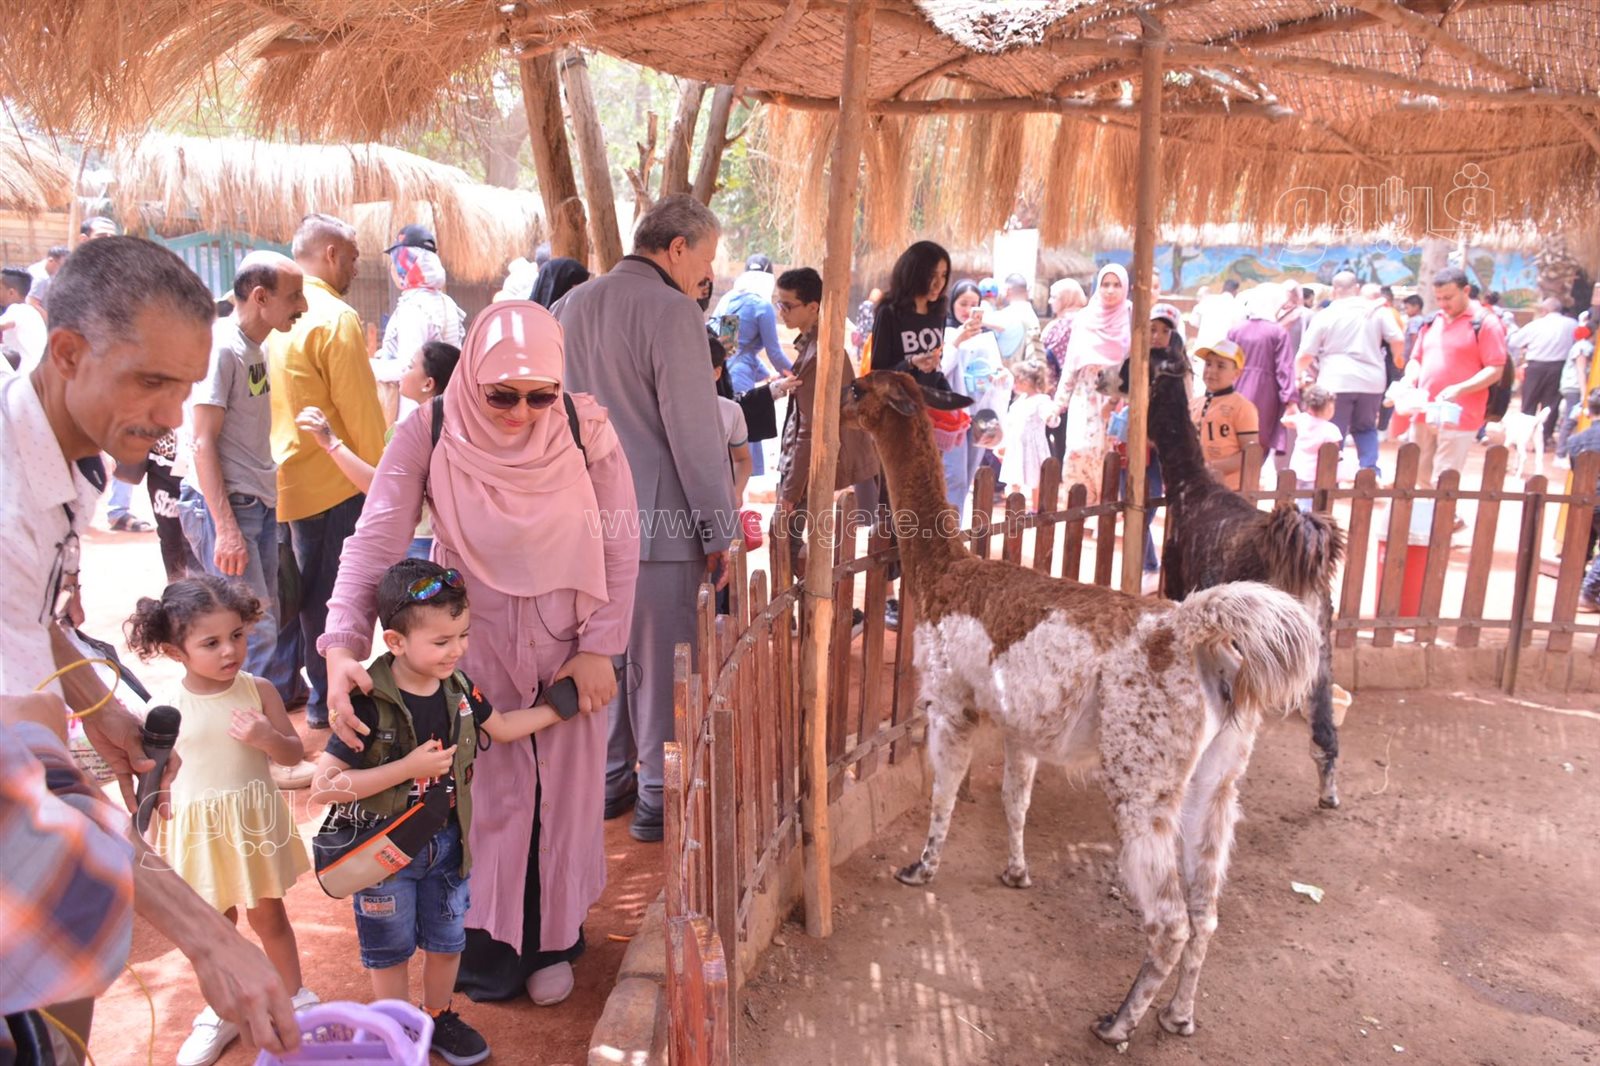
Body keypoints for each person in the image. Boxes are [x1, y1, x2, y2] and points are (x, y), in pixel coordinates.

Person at [0, 236, 299, 1057]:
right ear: (67, 353)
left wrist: (98, 708)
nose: (173, 416)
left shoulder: (79, 456)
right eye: (152, 381)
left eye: (184, 385)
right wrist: (207, 938)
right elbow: (29, 784)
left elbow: (31, 619)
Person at [321, 301, 639, 1007]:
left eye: (539, 394)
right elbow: (374, 541)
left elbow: (621, 542)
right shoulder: (428, 430)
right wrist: (342, 640)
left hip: (569, 646)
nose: (521, 411)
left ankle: (554, 938)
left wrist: (601, 649)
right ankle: (485, 946)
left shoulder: (586, 430)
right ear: (472, 377)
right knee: (479, 792)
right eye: (502, 393)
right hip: (465, 645)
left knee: (565, 794)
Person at [313, 559, 602, 1065]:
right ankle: (394, 1029)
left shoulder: (460, 690)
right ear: (396, 642)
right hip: (385, 853)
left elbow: (505, 728)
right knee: (390, 947)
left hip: (449, 844)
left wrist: (564, 706)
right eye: (443, 641)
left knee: (448, 941)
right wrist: (406, 767)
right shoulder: (367, 701)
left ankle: (437, 1015)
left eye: (463, 635)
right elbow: (326, 786)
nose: (458, 650)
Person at [553, 194, 733, 843]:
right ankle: (658, 787)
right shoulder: (672, 311)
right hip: (659, 523)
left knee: (601, 652)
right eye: (704, 260)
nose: (705, 277)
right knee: (662, 664)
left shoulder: (569, 305)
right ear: (677, 248)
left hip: (581, 521)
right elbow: (694, 433)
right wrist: (720, 533)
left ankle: (608, 777)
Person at [125, 576, 316, 1066]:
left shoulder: (260, 690)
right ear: (175, 651)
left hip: (251, 827)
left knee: (270, 916)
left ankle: (295, 999)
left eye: (237, 635)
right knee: (215, 924)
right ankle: (223, 1011)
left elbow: (294, 753)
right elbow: (157, 778)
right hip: (200, 833)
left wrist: (267, 737)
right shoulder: (164, 708)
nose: (230, 650)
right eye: (211, 643)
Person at [267, 213, 387, 731]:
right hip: (336, 480)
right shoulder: (335, 318)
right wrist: (384, 479)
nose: (357, 268)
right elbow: (361, 412)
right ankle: (326, 703)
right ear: (333, 254)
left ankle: (300, 694)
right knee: (333, 598)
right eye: (356, 257)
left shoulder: (267, 314)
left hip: (284, 479)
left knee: (298, 593)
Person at [180, 251, 308, 706]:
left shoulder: (253, 347)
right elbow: (201, 442)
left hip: (255, 503)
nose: (303, 307)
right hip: (231, 508)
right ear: (260, 297)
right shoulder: (222, 349)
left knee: (257, 624)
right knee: (247, 633)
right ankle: (243, 746)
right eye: (294, 297)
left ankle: (247, 742)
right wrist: (227, 528)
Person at [297, 340, 462, 560]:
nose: (403, 372)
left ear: (428, 384)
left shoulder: (410, 433)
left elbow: (377, 485)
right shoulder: (460, 428)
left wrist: (330, 442)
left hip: (419, 543)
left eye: (411, 366)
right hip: (451, 542)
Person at [771, 267, 879, 578]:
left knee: (786, 541)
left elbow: (809, 431)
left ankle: (815, 613)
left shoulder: (820, 354)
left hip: (807, 465)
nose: (781, 312)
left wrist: (791, 491)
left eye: (788, 305)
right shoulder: (817, 345)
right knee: (793, 542)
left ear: (813, 307)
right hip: (808, 462)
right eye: (779, 304)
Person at [873, 242, 966, 511]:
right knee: (893, 497)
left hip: (928, 417)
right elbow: (878, 373)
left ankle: (914, 552)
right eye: (932, 275)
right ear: (914, 273)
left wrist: (953, 404)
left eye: (944, 275)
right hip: (895, 416)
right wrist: (912, 362)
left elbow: (934, 370)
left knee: (923, 492)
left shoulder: (938, 312)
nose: (938, 283)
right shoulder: (889, 312)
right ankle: (890, 549)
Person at [1404, 266, 1508, 487]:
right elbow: (1416, 359)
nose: (1443, 304)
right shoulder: (1431, 321)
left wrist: (1459, 389)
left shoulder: (1486, 323)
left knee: (1444, 478)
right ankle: (1443, 519)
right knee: (1419, 475)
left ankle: (1443, 519)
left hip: (1461, 414)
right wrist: (1410, 378)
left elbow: (1495, 369)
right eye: (1438, 298)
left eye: (1448, 297)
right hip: (1424, 412)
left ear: (1466, 290)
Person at [1296, 270, 1403, 474]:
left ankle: (1331, 474)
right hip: (1372, 382)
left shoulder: (1326, 315)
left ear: (1334, 291)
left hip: (1336, 382)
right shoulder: (1377, 312)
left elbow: (1305, 354)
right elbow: (1397, 339)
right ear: (1356, 289)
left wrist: (1296, 375)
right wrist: (1398, 360)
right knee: (1366, 428)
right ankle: (1370, 471)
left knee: (1333, 430)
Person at [1054, 263, 1130, 504]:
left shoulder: (1131, 314)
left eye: (1116, 285)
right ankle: (1079, 506)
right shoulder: (1085, 317)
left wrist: (1119, 398)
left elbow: (1132, 362)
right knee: (1079, 449)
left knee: (1108, 452)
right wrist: (1059, 404)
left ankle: (1104, 512)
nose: (1110, 290)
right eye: (1105, 284)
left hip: (1116, 391)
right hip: (1084, 392)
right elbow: (1071, 362)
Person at [712, 254, 793, 478]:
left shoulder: (729, 299)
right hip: (742, 379)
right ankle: (740, 502)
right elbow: (774, 352)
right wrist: (796, 373)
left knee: (728, 445)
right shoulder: (762, 306)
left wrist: (766, 374)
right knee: (743, 446)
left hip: (723, 376)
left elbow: (730, 348)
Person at [376, 225, 465, 425]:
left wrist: (370, 367)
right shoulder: (445, 302)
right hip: (443, 406)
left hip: (413, 413)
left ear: (403, 265)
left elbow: (405, 367)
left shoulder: (414, 307)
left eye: (394, 261)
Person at [1229, 283, 1295, 462]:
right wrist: (1290, 399)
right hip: (1266, 394)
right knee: (1259, 438)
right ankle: (1251, 481)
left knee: (1234, 437)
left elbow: (1225, 361)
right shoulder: (1278, 332)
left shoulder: (1236, 330)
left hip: (1235, 390)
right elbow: (1284, 368)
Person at [1508, 297, 1579, 446]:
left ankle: (1523, 437)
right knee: (1551, 404)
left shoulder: (1536, 325)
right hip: (1559, 368)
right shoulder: (1573, 325)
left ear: (1544, 310)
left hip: (1535, 367)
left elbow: (1514, 342)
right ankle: (1545, 437)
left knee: (1528, 403)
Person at [1191, 340, 1261, 491]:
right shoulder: (1193, 404)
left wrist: (1210, 468)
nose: (1211, 370)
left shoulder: (1243, 407)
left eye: (1221, 366)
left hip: (1230, 491)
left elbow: (1250, 455)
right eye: (1208, 364)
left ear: (1237, 373)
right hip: (1197, 488)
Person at [998, 360, 1058, 511]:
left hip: (1033, 446)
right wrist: (1003, 443)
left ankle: (1036, 510)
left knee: (1036, 479)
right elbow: (1010, 423)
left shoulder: (1042, 400)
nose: (1015, 384)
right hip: (1016, 444)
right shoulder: (1019, 401)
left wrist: (1051, 417)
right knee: (1014, 476)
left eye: (1018, 380)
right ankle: (1014, 510)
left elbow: (1051, 420)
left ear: (1028, 381)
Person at [1041, 277, 1087, 463]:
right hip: (1082, 392)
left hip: (1057, 392)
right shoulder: (1088, 319)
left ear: (1066, 298)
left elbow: (1046, 357)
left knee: (1055, 439)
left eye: (1054, 297)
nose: (1050, 302)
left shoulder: (1060, 325)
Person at [709, 335, 753, 508]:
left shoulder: (731, 411)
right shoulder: (663, 408)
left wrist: (736, 492)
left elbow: (742, 459)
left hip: (717, 505)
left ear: (716, 373)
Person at [1282, 385, 1344, 500]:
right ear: (1329, 409)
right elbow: (1333, 453)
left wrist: (1290, 411)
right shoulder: (1331, 429)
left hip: (1297, 468)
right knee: (1308, 502)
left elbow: (1285, 421)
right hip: (1315, 474)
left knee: (1295, 498)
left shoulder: (1302, 419)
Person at [1557, 324, 1594, 461]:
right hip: (1575, 387)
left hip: (1572, 386)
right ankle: (1560, 454)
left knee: (1571, 419)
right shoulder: (1583, 347)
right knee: (1571, 419)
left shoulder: (1580, 345)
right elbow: (1581, 370)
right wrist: (1584, 392)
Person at [0, 267, 48, 371]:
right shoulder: (32, 312)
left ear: (11, 292)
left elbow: (4, 324)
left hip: (25, 376)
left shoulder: (18, 309)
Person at [990, 273, 1037, 362]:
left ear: (1008, 290)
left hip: (1010, 370)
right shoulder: (1032, 315)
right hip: (1028, 371)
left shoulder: (1006, 315)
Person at [1191, 277, 1243, 349]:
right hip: (1222, 350)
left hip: (1202, 348)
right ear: (1235, 291)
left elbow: (1193, 322)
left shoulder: (1208, 300)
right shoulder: (1237, 305)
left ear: (1222, 289)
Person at [26, 245, 69, 319]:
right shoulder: (41, 277)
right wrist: (49, 322)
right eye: (62, 266)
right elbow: (32, 303)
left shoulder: (46, 268)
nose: (64, 269)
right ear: (51, 260)